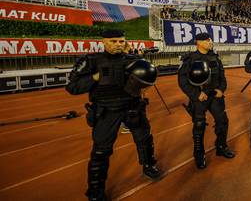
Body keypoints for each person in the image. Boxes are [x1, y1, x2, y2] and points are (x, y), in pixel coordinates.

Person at [66, 29, 161, 201]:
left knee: (145, 139)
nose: (118, 44)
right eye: (114, 41)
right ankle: (95, 191)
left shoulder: (133, 60)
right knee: (100, 152)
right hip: (106, 111)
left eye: (121, 41)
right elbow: (72, 87)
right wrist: (95, 77)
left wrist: (143, 85)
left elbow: (148, 77)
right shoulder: (90, 61)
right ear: (104, 41)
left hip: (132, 107)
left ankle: (149, 165)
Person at [177, 32, 235, 169]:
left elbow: (222, 77)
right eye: (208, 40)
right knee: (199, 125)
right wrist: (195, 94)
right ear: (199, 42)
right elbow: (182, 81)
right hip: (200, 97)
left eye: (210, 40)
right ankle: (199, 154)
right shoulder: (190, 59)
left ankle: (221, 146)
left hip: (215, 95)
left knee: (222, 121)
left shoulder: (214, 57)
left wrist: (221, 90)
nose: (210, 42)